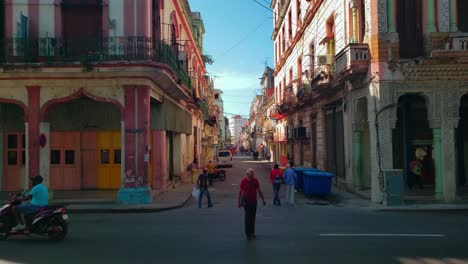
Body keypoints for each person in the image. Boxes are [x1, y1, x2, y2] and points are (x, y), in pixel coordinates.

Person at [238, 168, 266, 240]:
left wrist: (263, 199)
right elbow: (240, 192)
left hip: (254, 201)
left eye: (253, 173)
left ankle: (252, 232)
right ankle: (248, 233)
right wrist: (238, 202)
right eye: (252, 174)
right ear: (248, 174)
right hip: (246, 201)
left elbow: (259, 190)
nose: (253, 175)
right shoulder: (244, 181)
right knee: (247, 217)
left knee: (253, 217)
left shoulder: (255, 180)